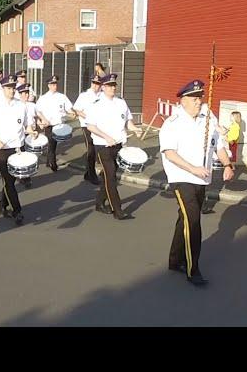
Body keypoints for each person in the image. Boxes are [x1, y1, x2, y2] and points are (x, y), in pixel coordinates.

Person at [159, 79, 235, 286]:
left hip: (202, 179)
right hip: (181, 178)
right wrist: (192, 168)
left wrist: (228, 165)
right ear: (183, 101)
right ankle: (193, 269)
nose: (198, 102)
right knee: (193, 221)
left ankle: (175, 260)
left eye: (200, 98)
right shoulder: (172, 123)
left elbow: (218, 146)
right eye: (193, 98)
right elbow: (170, 153)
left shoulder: (207, 120)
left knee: (184, 219)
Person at [86, 74, 143, 220]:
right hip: (102, 145)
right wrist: (106, 137)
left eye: (114, 85)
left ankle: (99, 203)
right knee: (111, 176)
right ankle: (117, 210)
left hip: (118, 145)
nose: (112, 88)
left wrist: (135, 129)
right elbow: (91, 126)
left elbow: (128, 122)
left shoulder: (121, 103)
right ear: (103, 87)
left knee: (108, 176)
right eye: (109, 85)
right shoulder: (96, 105)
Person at [0, 75, 37, 226]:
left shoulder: (22, 106)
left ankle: (2, 204)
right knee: (8, 180)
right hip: (2, 149)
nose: (12, 90)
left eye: (13, 88)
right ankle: (17, 210)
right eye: (8, 88)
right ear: (2, 89)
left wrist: (32, 131)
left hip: (18, 148)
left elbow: (26, 126)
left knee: (11, 180)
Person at [35, 75, 75, 172]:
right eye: (52, 84)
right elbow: (38, 111)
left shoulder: (62, 96)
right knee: (51, 143)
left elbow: (68, 108)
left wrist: (72, 113)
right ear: (49, 85)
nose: (54, 86)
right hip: (49, 124)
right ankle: (53, 164)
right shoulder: (43, 98)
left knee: (54, 144)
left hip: (59, 124)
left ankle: (49, 161)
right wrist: (44, 120)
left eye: (55, 84)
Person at [73, 74, 103, 185]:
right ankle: (92, 175)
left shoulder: (102, 95)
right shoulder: (84, 95)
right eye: (94, 83)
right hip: (86, 125)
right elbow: (76, 109)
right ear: (91, 83)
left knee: (96, 149)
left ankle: (87, 173)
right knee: (91, 148)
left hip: (98, 126)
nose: (96, 86)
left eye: (98, 84)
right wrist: (86, 116)